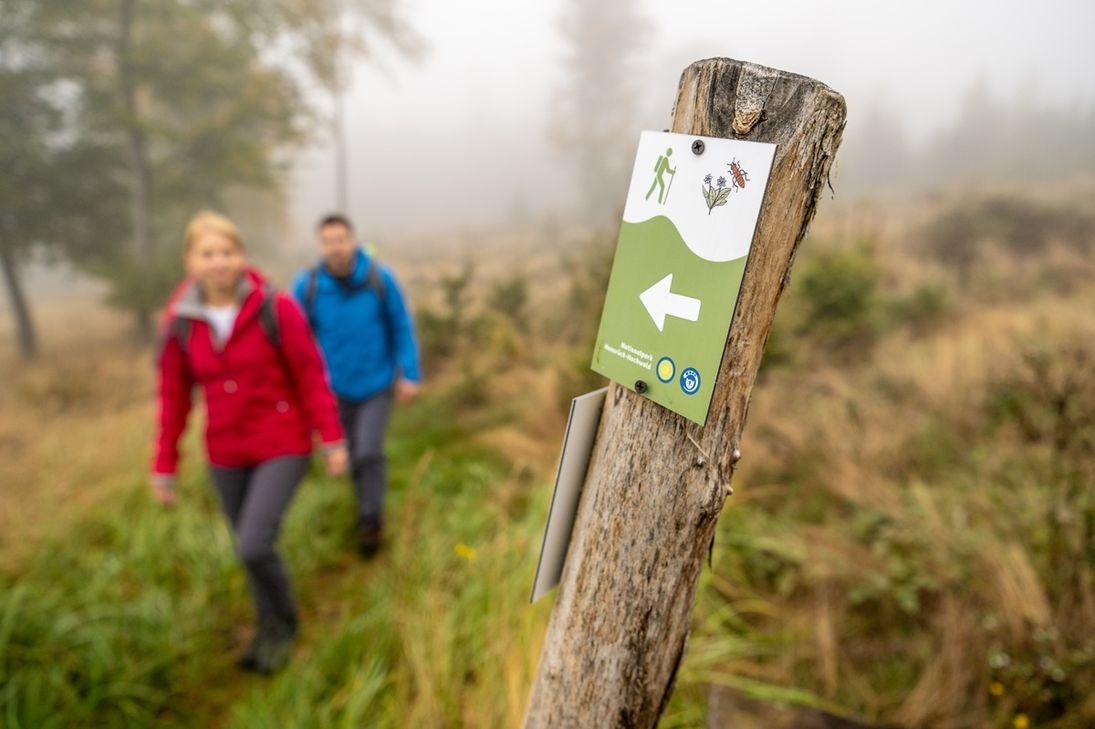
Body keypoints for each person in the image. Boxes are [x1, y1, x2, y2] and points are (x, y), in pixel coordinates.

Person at [151, 211, 348, 674]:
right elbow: (173, 400)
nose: (220, 262)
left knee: (254, 545)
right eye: (208, 254)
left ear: (242, 256)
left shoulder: (274, 307)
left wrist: (332, 439)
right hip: (226, 453)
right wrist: (165, 467)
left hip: (283, 444)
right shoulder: (181, 323)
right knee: (249, 548)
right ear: (190, 261)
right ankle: (267, 630)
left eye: (228, 252)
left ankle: (285, 624)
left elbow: (309, 374)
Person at [292, 213, 421, 557]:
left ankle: (370, 521)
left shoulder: (380, 279)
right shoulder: (308, 286)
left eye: (341, 240)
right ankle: (365, 504)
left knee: (368, 450)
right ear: (321, 245)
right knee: (349, 455)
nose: (335, 248)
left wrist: (409, 373)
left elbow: (401, 326)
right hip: (333, 389)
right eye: (328, 242)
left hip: (377, 383)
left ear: (354, 240)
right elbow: (295, 341)